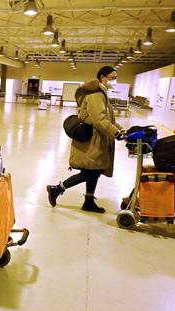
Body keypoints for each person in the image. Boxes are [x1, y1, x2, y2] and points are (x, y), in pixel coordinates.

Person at [46, 66, 126, 213]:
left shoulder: (101, 93)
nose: (115, 80)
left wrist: (120, 129)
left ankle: (88, 201)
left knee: (94, 169)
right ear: (102, 77)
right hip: (93, 140)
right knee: (91, 172)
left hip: (97, 138)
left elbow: (108, 118)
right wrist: (115, 133)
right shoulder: (96, 95)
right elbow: (99, 119)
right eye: (113, 77)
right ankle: (56, 189)